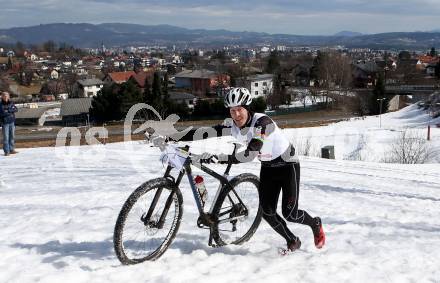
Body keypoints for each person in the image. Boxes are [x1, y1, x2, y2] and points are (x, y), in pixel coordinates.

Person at [180, 87, 325, 252]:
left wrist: (223, 158)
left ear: (247, 108)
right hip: (268, 167)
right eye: (232, 111)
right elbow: (203, 133)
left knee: (290, 213)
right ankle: (292, 240)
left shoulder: (263, 123)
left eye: (239, 110)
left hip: (287, 165)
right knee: (268, 212)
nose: (236, 115)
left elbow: (251, 151)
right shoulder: (232, 126)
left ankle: (315, 223)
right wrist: (171, 135)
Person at [0, 92, 18, 156]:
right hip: (5, 123)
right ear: (2, 97)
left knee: (12, 136)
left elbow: (16, 109)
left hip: (12, 122)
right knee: (6, 137)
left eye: (7, 96)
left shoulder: (11, 103)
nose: (5, 97)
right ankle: (6, 151)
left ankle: (11, 149)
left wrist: (8, 111)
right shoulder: (0, 104)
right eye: (4, 96)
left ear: (8, 96)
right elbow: (2, 113)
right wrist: (10, 111)